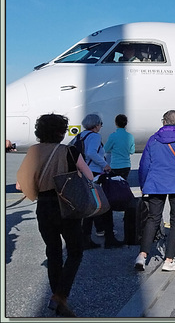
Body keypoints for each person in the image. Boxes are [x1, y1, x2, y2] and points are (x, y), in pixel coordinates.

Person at [16, 113, 94, 317]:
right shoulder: (69, 151)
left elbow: (19, 184)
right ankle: (60, 295)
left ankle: (58, 298)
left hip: (44, 206)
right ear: (61, 132)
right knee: (75, 251)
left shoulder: (33, 151)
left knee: (53, 252)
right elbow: (89, 176)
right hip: (67, 206)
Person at [135, 110, 175, 272]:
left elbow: (144, 165)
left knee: (153, 218)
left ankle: (142, 255)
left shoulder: (153, 139)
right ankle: (169, 259)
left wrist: (143, 184)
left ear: (164, 121)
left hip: (155, 183)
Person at [73, 114, 119, 248]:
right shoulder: (94, 136)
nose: (101, 126)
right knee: (103, 204)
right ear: (96, 125)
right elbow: (91, 153)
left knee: (90, 205)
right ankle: (108, 236)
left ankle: (87, 236)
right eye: (100, 124)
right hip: (94, 173)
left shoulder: (80, 136)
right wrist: (104, 164)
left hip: (83, 173)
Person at [103, 113, 137, 245]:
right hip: (126, 166)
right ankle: (126, 215)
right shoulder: (129, 136)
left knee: (112, 192)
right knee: (124, 189)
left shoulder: (113, 135)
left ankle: (111, 217)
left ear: (116, 123)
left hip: (115, 165)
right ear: (126, 123)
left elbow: (106, 149)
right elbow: (132, 151)